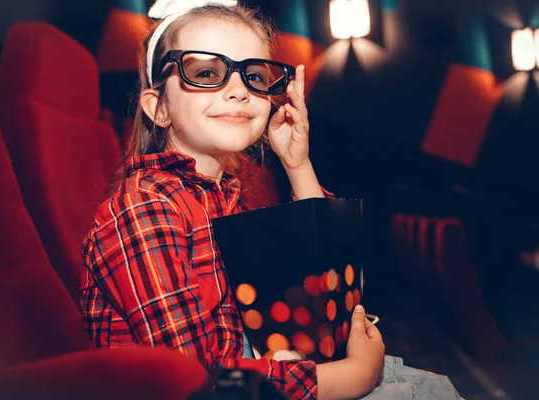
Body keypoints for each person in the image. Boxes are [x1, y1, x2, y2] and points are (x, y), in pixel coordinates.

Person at [81, 1, 462, 399]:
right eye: (206, 72)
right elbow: (197, 381)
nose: (239, 91)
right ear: (158, 108)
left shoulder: (224, 197)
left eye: (254, 76)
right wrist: (350, 378)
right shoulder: (145, 209)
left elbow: (331, 285)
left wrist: (297, 164)